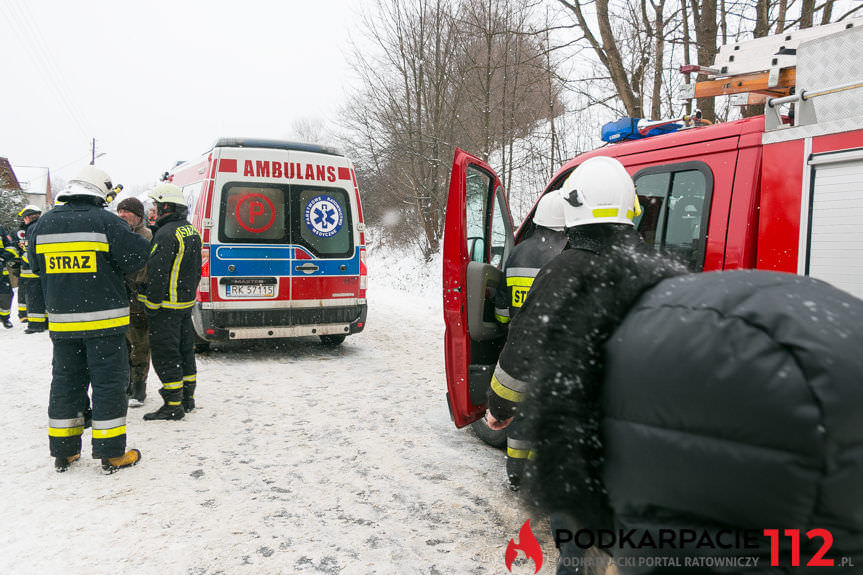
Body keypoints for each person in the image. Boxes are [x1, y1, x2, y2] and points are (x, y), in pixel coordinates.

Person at [492, 157, 863, 572]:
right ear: (633, 210)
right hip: (635, 458)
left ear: (572, 210)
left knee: (579, 546)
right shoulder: (660, 271)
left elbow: (520, 353)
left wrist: (498, 406)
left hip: (580, 445)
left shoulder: (561, 271)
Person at [28, 165, 150, 473]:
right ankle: (111, 453)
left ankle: (65, 452)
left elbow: (36, 266)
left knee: (66, 383)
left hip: (64, 326)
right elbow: (136, 258)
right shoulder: (106, 222)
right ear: (100, 191)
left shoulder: (42, 225)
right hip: (104, 325)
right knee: (109, 385)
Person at [490, 191, 568, 490]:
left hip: (519, 346)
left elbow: (501, 304)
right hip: (553, 349)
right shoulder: (566, 256)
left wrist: (506, 326)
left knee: (519, 413)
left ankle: (515, 474)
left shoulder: (517, 253)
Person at [139, 183, 202, 421]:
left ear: (167, 206)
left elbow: (157, 273)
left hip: (165, 307)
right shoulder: (191, 231)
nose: (154, 210)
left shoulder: (165, 234)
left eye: (156, 205)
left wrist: (152, 304)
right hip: (184, 305)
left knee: (166, 354)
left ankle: (173, 404)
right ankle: (187, 398)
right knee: (186, 351)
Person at [116, 197, 152, 407]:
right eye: (119, 211)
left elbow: (141, 271)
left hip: (137, 299)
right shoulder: (117, 234)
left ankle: (139, 387)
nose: (122, 215)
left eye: (126, 212)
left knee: (139, 344)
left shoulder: (145, 236)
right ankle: (128, 383)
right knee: (123, 344)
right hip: (120, 298)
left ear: (138, 216)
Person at [17, 205, 48, 333]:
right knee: (44, 297)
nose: (23, 221)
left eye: (24, 218)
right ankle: (46, 322)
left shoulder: (31, 228)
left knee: (35, 298)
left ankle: (36, 325)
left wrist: (21, 257)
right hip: (44, 270)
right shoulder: (42, 226)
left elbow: (31, 252)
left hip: (32, 272)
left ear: (28, 217)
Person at [0, 224, 17, 328]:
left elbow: (12, 248)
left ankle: (4, 318)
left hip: (2, 271)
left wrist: (2, 258)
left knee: (6, 295)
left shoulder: (0, 230)